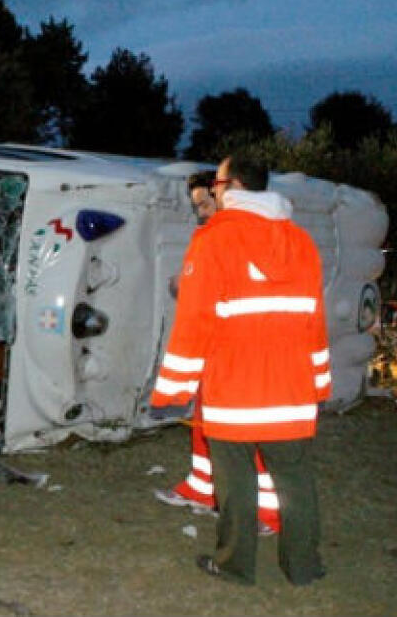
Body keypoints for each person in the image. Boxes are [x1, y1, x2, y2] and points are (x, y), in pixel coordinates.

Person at [151, 156, 330, 586]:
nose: (213, 191)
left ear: (230, 186)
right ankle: (304, 567)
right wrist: (319, 382)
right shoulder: (301, 241)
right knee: (296, 481)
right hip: (292, 393)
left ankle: (235, 565)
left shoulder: (213, 239)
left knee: (235, 483)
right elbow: (315, 320)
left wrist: (173, 387)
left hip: (233, 391)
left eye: (216, 184)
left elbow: (194, 320)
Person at [154, 169, 282, 537]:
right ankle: (203, 487)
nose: (202, 212)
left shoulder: (252, 236)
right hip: (216, 352)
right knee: (204, 425)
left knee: (250, 433)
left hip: (248, 355)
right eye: (197, 206)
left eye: (206, 204)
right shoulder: (211, 237)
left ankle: (267, 513)